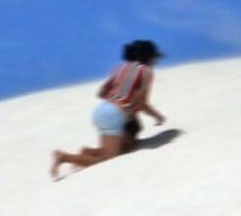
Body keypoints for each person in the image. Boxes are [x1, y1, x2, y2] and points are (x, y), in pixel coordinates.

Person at [51, 40, 168, 178]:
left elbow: (100, 93)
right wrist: (157, 116)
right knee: (109, 160)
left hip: (101, 110)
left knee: (122, 149)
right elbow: (142, 104)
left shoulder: (119, 69)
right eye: (154, 58)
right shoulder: (146, 72)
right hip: (114, 114)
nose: (155, 61)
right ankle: (64, 157)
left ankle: (88, 152)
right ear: (148, 57)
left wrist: (117, 99)